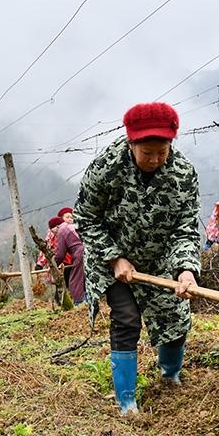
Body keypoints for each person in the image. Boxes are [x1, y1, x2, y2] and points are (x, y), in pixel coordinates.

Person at [76, 102, 200, 416]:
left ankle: (170, 374)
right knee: (127, 319)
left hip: (158, 262)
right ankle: (126, 401)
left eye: (163, 152)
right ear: (132, 144)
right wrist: (115, 258)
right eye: (147, 153)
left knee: (175, 320)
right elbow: (86, 218)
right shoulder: (107, 167)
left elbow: (185, 228)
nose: (156, 160)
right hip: (110, 261)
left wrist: (185, 268)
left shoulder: (183, 174)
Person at [53, 210, 86, 305]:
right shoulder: (71, 227)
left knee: (75, 281)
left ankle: (79, 302)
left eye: (71, 217)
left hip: (77, 255)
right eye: (67, 217)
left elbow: (60, 254)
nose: (70, 219)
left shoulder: (62, 230)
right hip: (77, 256)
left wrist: (54, 264)